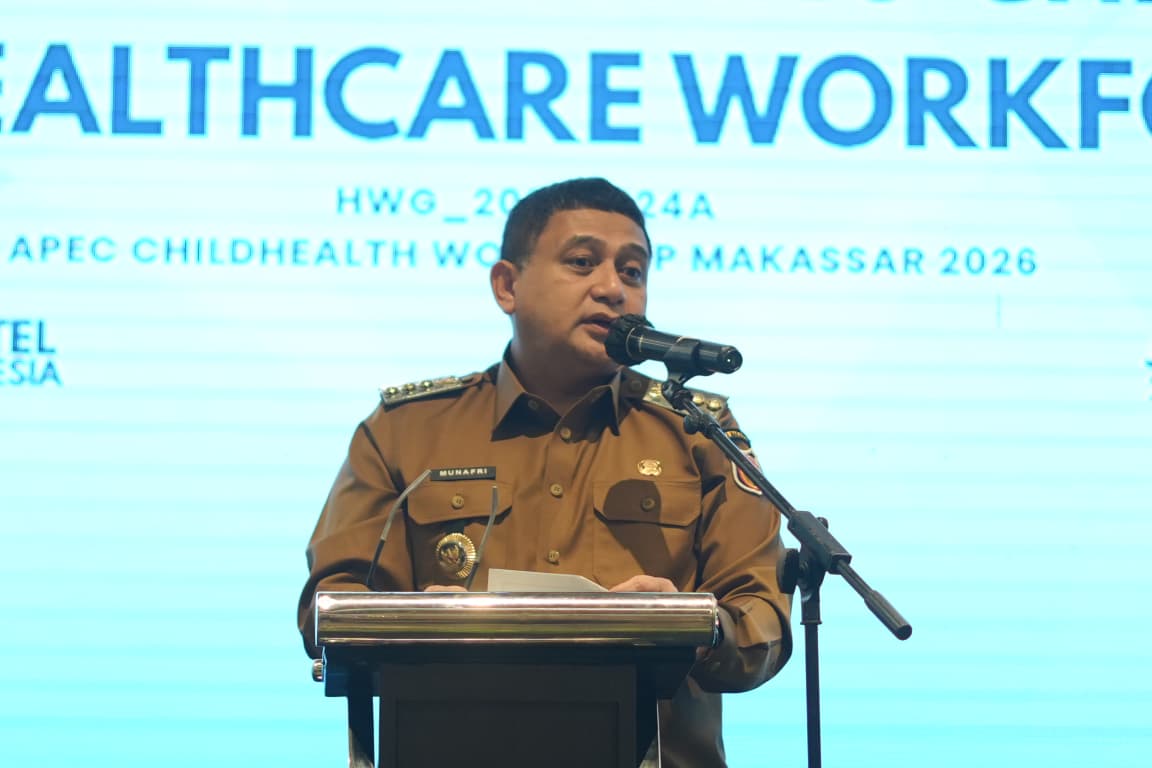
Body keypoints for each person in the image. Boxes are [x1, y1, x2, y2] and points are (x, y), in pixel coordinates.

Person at [297, 177, 792, 767]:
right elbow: (330, 606)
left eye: (633, 271)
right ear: (507, 286)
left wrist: (693, 625)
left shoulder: (698, 431)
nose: (613, 289)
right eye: (582, 262)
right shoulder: (405, 429)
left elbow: (761, 618)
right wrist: (421, 623)